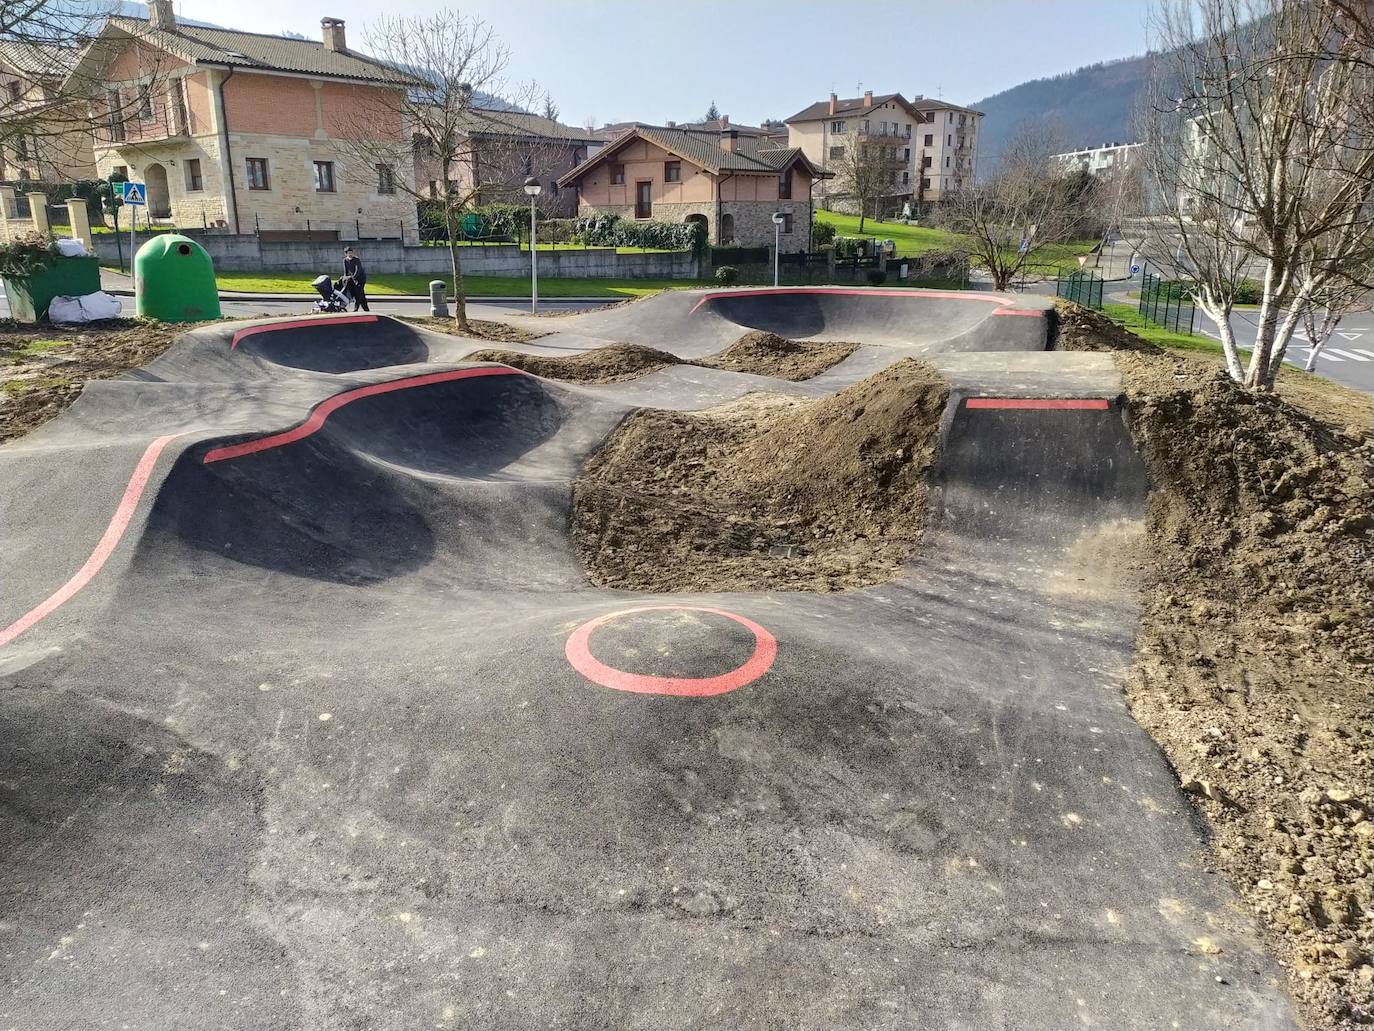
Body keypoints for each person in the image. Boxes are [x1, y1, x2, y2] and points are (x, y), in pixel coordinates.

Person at [341, 246, 369, 312]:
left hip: (361, 279)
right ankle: (366, 309)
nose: (350, 254)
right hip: (354, 279)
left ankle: (356, 309)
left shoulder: (356, 259)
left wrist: (352, 277)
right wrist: (345, 278)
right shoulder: (345, 260)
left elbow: (358, 270)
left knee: (358, 293)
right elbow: (346, 271)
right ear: (346, 254)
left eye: (351, 253)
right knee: (361, 294)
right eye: (349, 253)